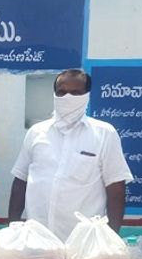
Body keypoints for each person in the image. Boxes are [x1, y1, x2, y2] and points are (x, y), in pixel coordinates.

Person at [8, 68, 132, 241]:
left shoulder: (104, 134)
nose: (67, 98)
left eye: (76, 93)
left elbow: (116, 188)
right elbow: (20, 181)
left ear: (87, 95)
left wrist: (111, 239)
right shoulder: (36, 133)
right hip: (38, 241)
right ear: (54, 95)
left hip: (83, 243)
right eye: (62, 92)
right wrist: (12, 230)